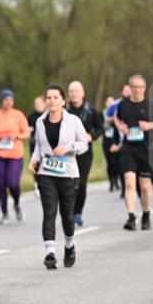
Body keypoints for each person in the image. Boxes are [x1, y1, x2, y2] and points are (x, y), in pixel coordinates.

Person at [30, 84, 89, 269]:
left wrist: (68, 147)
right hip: (46, 173)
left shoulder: (74, 121)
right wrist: (33, 161)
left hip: (68, 174)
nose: (52, 101)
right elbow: (39, 147)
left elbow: (84, 144)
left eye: (56, 97)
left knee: (67, 216)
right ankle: (50, 252)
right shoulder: (40, 122)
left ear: (63, 101)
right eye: (49, 97)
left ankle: (70, 245)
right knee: (49, 212)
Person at [113, 74, 153, 231]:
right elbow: (116, 118)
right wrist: (120, 126)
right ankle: (131, 217)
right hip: (129, 149)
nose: (137, 90)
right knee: (129, 183)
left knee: (145, 187)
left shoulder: (151, 106)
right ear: (130, 88)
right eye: (134, 87)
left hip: (146, 150)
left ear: (144, 88)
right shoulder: (123, 104)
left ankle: (146, 214)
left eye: (140, 87)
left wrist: (149, 125)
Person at [0, 89, 30, 223]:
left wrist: (17, 136)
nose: (9, 102)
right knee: (1, 185)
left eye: (11, 100)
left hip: (15, 155)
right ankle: (4, 213)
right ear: (1, 101)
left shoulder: (18, 115)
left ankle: (16, 203)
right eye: (6, 100)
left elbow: (27, 133)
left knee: (13, 184)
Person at [66, 81, 103, 226]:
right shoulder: (65, 111)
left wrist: (91, 137)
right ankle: (68, 212)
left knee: (81, 184)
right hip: (67, 153)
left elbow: (100, 129)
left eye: (76, 91)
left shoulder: (91, 111)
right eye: (71, 91)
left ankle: (77, 214)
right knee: (69, 184)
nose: (74, 93)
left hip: (85, 153)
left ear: (82, 93)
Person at [103, 96, 122, 192]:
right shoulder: (103, 113)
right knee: (109, 162)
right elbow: (104, 122)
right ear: (106, 104)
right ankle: (111, 182)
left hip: (115, 139)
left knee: (117, 162)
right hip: (106, 140)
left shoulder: (117, 113)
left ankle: (117, 181)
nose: (110, 104)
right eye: (108, 102)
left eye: (112, 102)